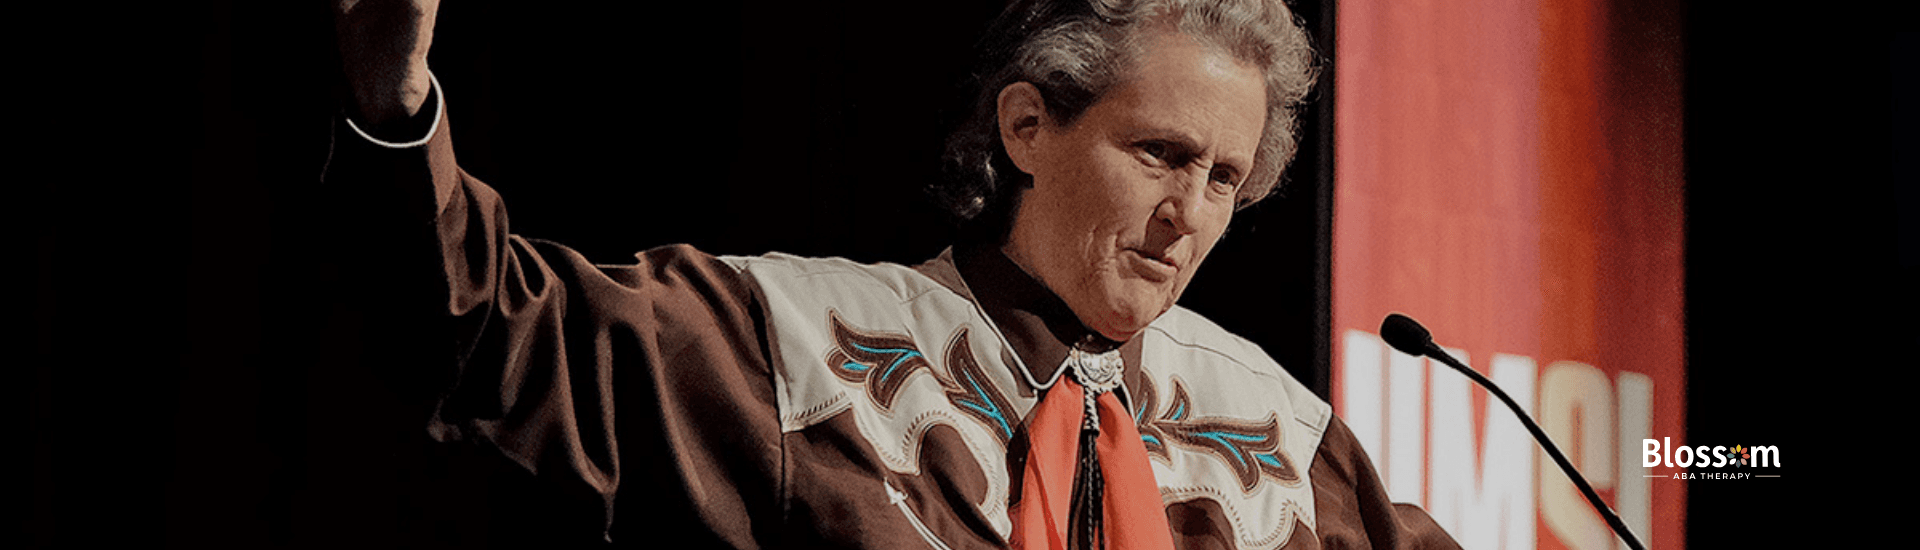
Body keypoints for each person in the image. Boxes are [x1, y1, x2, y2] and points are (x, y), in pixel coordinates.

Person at [329, 0, 1460, 548]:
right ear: (1027, 126)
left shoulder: (1272, 431)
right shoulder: (800, 343)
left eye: (1223, 178)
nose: (1188, 215)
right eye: (1159, 154)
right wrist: (392, 105)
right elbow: (480, 330)